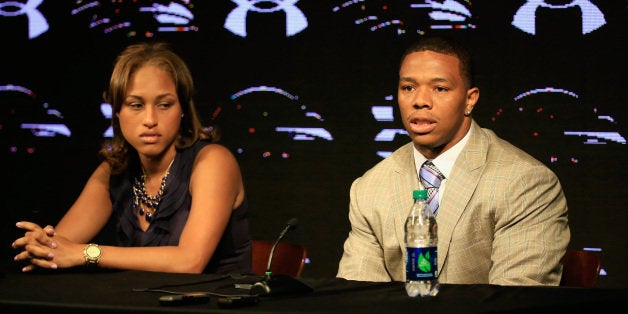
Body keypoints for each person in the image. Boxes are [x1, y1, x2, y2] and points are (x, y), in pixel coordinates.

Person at [337, 36, 570, 285]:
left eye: (440, 88)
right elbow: (358, 295)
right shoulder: (369, 187)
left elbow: (515, 298)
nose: (420, 101)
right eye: (408, 88)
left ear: (470, 99)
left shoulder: (525, 183)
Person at [12, 42, 252, 274]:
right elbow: (60, 247)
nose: (150, 119)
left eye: (165, 104)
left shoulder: (213, 162)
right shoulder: (114, 170)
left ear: (182, 110)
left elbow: (190, 262)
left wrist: (87, 253)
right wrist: (41, 245)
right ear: (117, 112)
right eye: (136, 105)